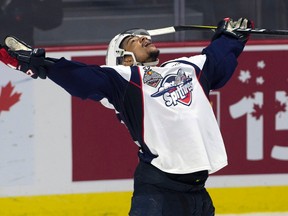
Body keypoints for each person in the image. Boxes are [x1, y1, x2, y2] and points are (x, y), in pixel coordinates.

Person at [0, 17, 252, 215]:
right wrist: (34, 63)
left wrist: (231, 37)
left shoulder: (187, 66)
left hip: (198, 193)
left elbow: (218, 58)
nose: (143, 39)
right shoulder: (123, 80)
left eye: (144, 37)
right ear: (124, 58)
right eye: (133, 39)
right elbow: (80, 77)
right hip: (159, 192)